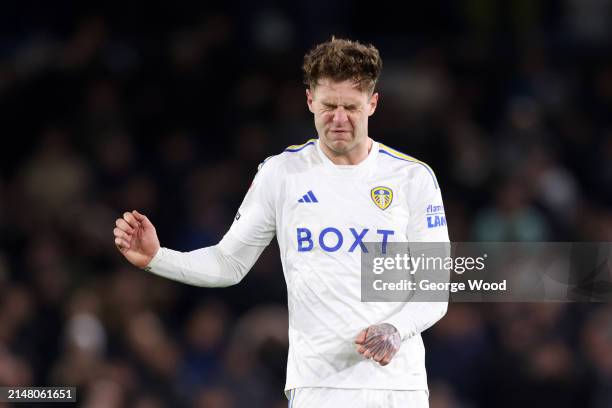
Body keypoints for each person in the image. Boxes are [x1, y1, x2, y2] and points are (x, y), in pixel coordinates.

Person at [114, 37, 450, 408]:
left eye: (351, 107)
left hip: (397, 388)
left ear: (372, 103)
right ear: (309, 100)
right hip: (316, 387)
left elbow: (434, 289)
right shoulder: (282, 173)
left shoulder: (411, 178)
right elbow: (229, 263)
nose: (339, 119)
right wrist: (158, 257)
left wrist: (395, 329)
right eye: (328, 106)